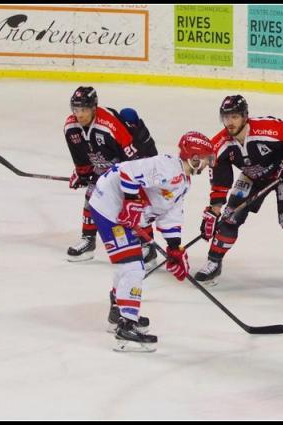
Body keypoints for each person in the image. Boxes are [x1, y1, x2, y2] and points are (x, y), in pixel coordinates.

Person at [88, 131, 215, 352]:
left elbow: (169, 214)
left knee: (126, 263)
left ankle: (118, 313)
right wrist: (130, 201)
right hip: (109, 208)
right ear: (194, 156)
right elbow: (127, 172)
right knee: (132, 267)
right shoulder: (167, 166)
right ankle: (126, 326)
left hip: (116, 211)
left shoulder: (183, 182)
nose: (207, 163)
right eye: (205, 157)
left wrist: (175, 248)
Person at [193, 95, 283, 298]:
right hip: (252, 175)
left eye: (234, 117)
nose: (229, 122)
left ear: (245, 116)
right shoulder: (221, 144)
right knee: (230, 217)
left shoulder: (267, 129)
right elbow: (221, 179)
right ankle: (214, 262)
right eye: (226, 117)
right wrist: (214, 210)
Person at [64, 86, 159, 263]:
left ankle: (147, 246)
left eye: (83, 109)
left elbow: (133, 158)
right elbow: (80, 157)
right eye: (76, 109)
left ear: (93, 108)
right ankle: (88, 241)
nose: (79, 115)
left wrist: (129, 183)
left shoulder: (109, 126)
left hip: (136, 160)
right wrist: (83, 174)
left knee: (135, 202)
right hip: (109, 165)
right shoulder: (71, 128)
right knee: (92, 193)